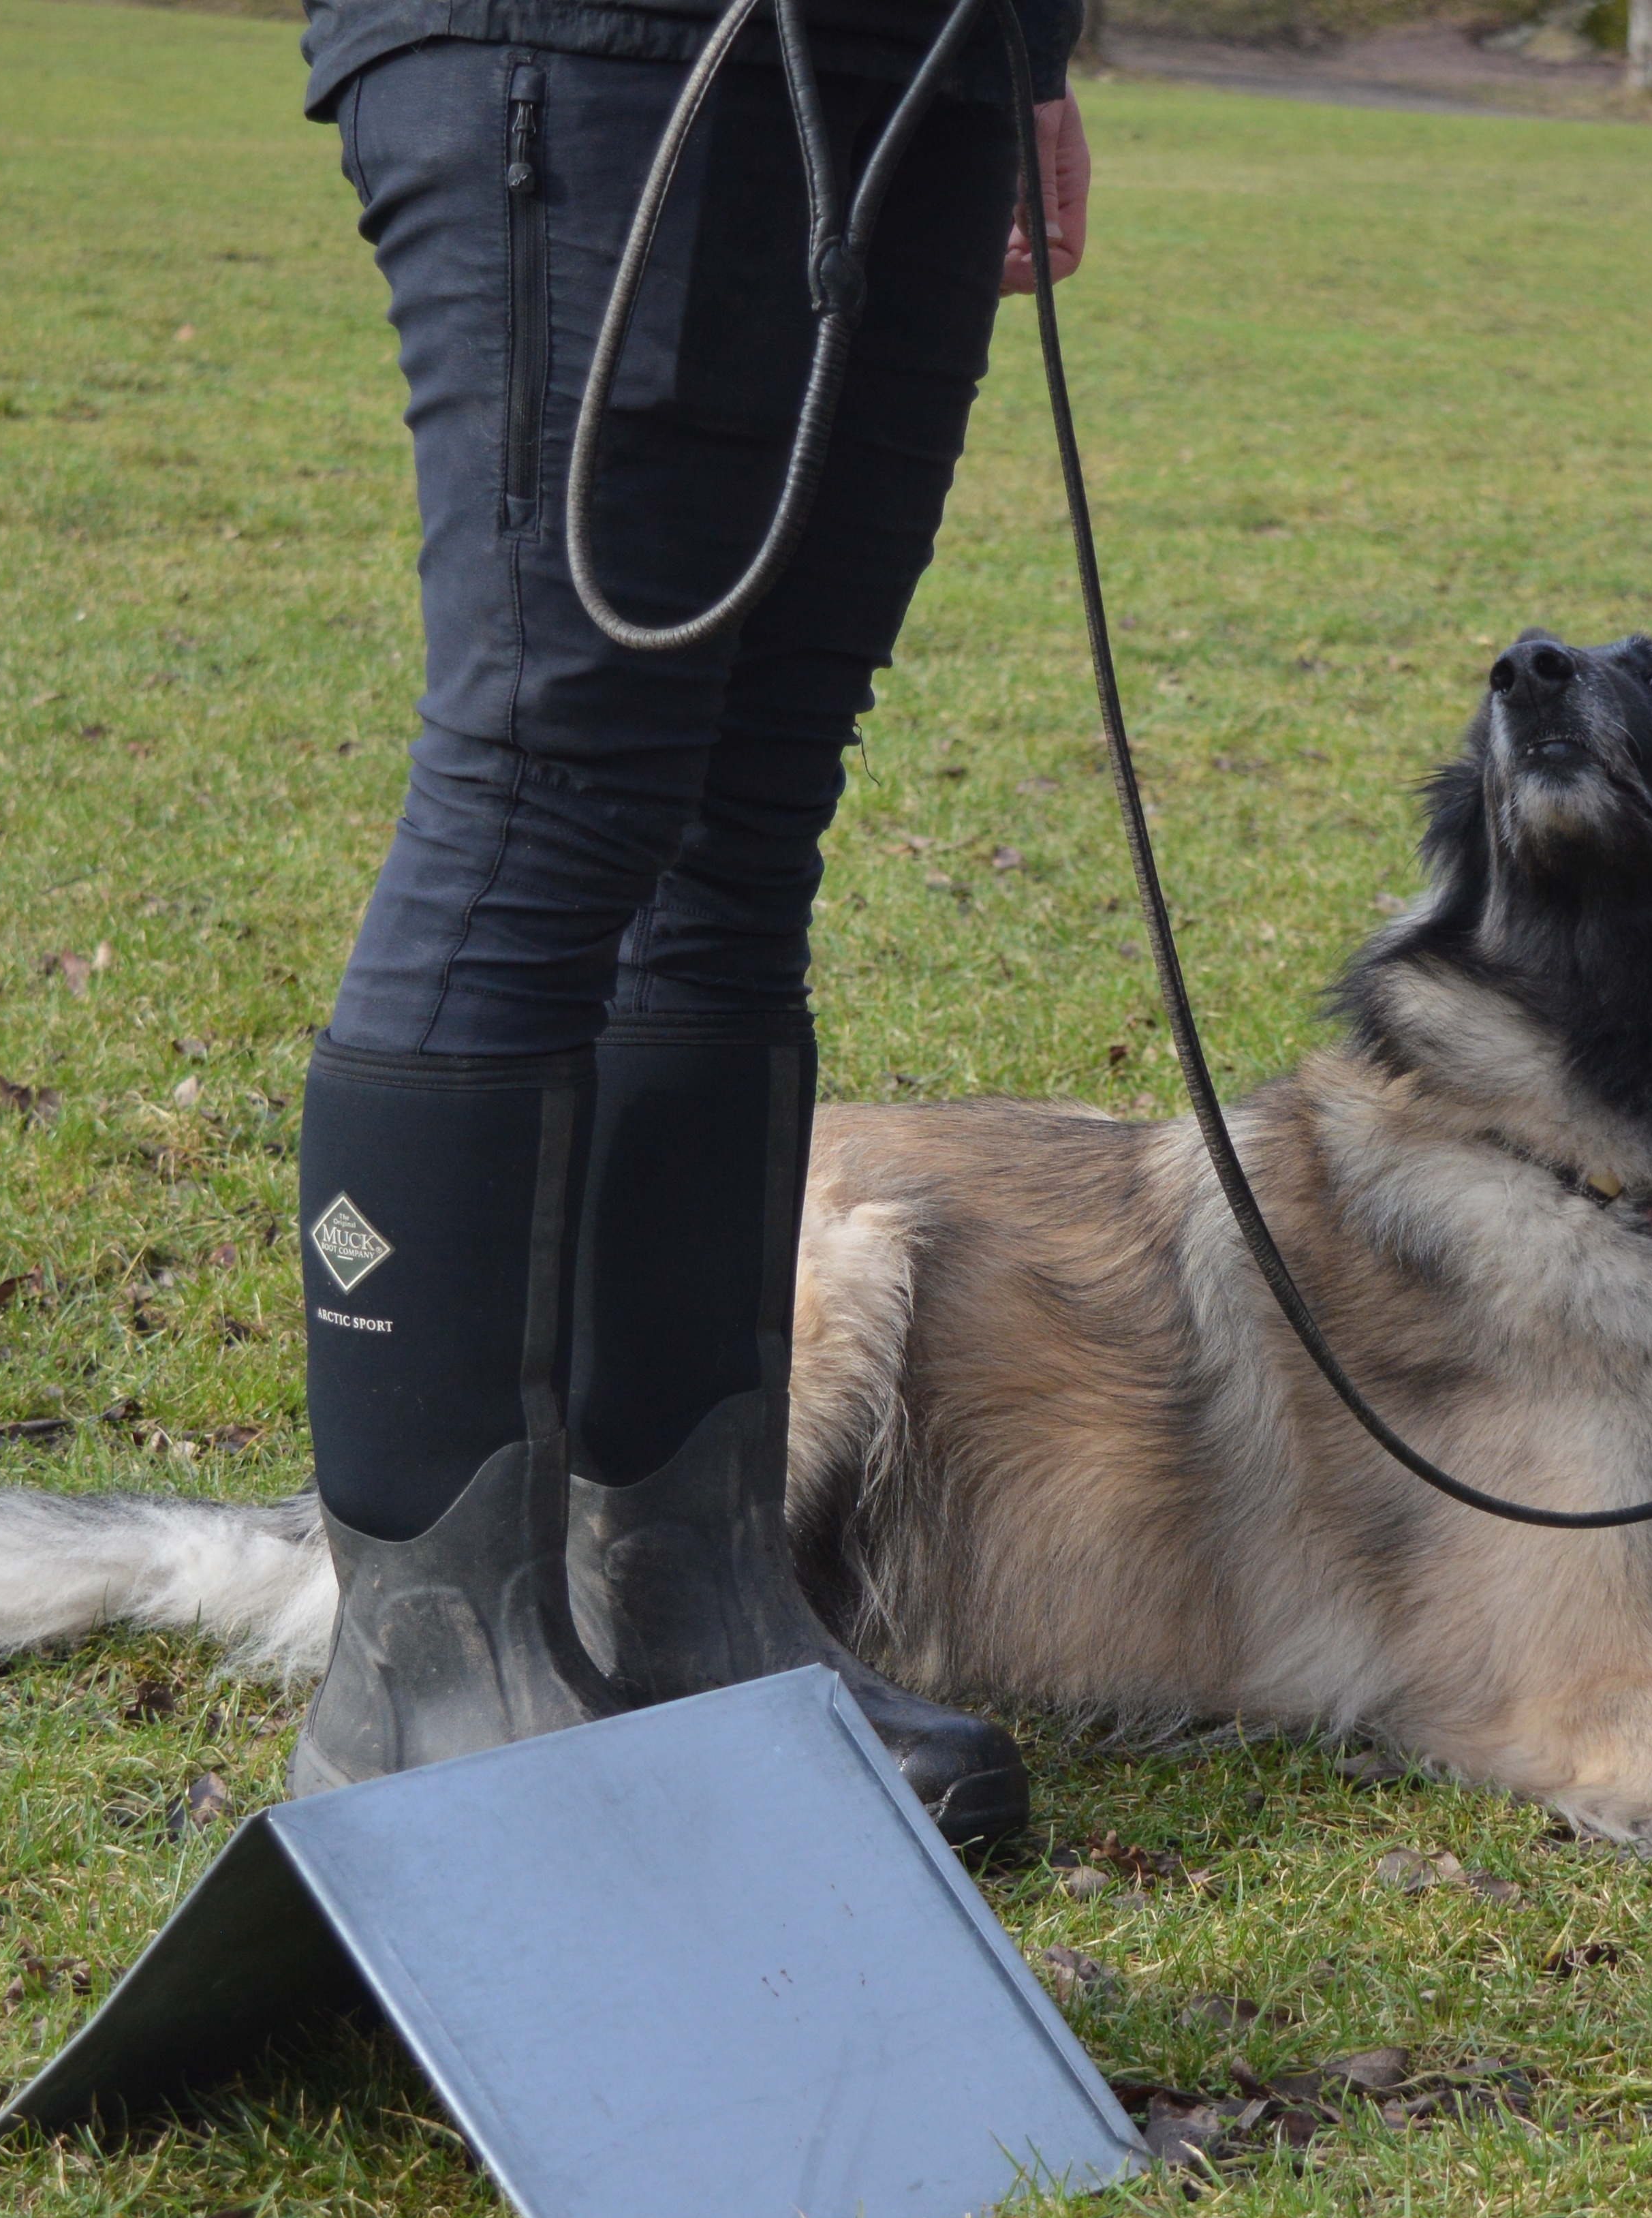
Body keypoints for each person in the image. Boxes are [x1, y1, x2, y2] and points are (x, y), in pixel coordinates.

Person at [278, 0, 1092, 1853]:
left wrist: (1028, 56)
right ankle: (426, 1679)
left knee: (746, 811)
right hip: (591, 45)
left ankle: (691, 1599)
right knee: (545, 787)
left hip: (916, 61)